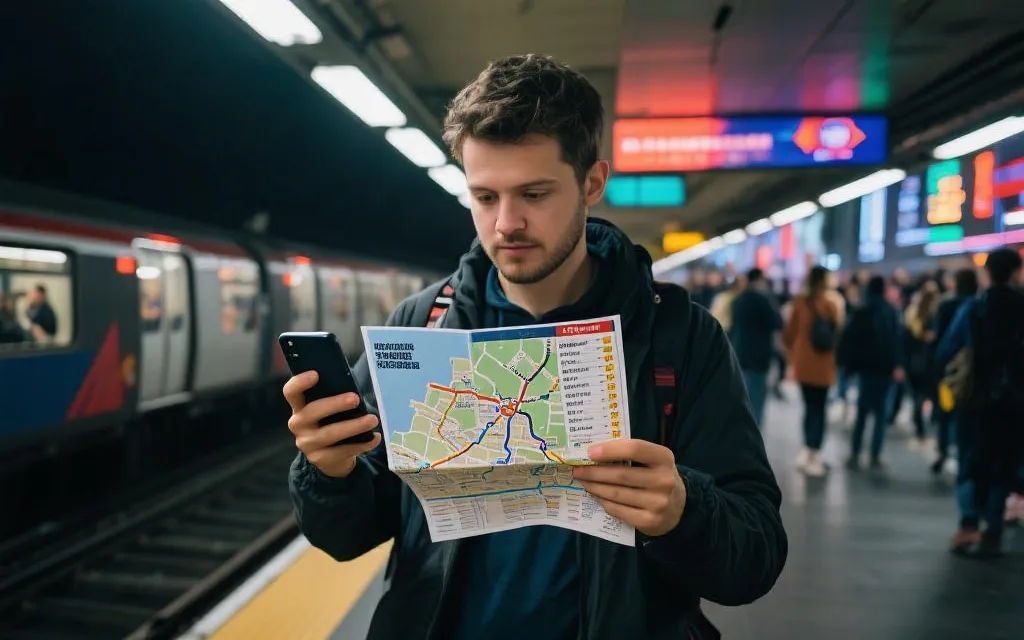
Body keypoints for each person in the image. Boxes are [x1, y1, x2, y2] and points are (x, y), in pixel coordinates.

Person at [285, 54, 787, 639]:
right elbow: (346, 536)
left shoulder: (679, 337)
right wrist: (330, 472)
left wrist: (683, 510)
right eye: (485, 197)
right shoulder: (423, 325)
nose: (506, 223)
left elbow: (755, 557)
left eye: (533, 193)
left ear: (592, 183)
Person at [936, 248, 1024, 557]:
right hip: (1015, 402)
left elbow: (947, 349)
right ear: (1015, 272)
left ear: (988, 273)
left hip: (975, 399)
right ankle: (993, 529)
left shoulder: (975, 308)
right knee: (1004, 464)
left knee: (970, 460)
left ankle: (969, 524)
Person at [837, 275, 905, 470]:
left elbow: (850, 340)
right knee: (881, 413)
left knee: (862, 412)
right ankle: (875, 454)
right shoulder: (891, 311)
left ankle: (855, 452)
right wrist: (898, 365)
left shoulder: (861, 311)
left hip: (865, 369)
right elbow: (896, 340)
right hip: (885, 369)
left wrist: (848, 366)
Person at [782, 266, 840, 477]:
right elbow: (836, 333)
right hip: (823, 366)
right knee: (820, 409)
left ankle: (806, 450)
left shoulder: (800, 303)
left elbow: (788, 334)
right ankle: (815, 453)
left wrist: (794, 355)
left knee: (809, 408)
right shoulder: (830, 304)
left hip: (804, 365)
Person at [730, 268, 783, 426]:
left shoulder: (738, 301)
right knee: (758, 396)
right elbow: (777, 322)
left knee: (744, 394)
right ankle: (754, 429)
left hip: (740, 353)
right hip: (760, 356)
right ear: (759, 280)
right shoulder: (764, 301)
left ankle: (742, 428)